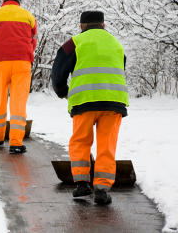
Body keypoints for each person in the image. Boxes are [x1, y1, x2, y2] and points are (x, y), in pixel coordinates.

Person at [51, 11, 129, 204]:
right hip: (113, 101)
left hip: (84, 101)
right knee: (107, 145)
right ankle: (102, 189)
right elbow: (121, 66)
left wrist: (62, 91)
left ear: (81, 26)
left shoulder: (74, 42)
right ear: (103, 25)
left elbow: (58, 70)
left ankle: (82, 184)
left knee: (80, 141)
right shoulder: (116, 44)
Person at [0, 0, 37, 154]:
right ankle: (16, 142)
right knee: (18, 102)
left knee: (0, 99)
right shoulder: (29, 16)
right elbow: (33, 42)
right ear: (19, 0)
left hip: (0, 62)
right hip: (22, 62)